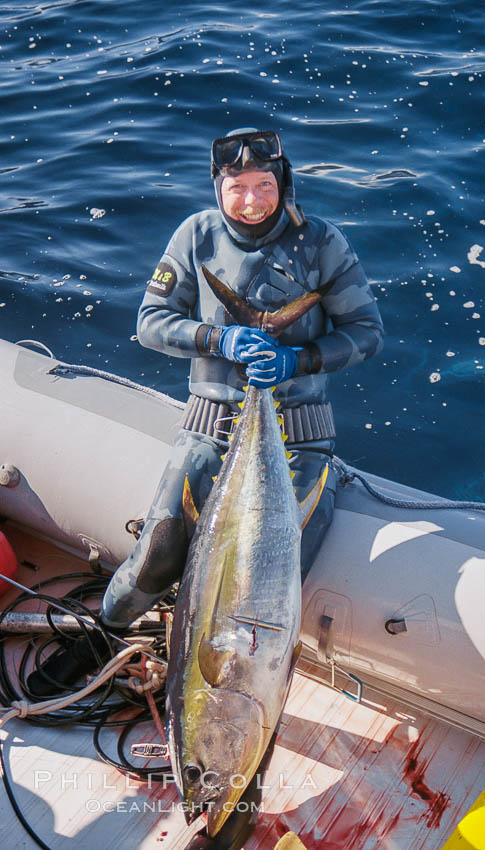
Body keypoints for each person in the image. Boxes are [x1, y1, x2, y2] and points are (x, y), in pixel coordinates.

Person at [28, 128, 384, 693]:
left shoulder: (321, 242)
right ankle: (101, 636)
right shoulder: (196, 236)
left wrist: (299, 360)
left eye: (263, 185)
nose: (250, 200)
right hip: (209, 426)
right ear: (218, 187)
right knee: (158, 554)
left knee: (273, 576)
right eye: (236, 187)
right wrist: (219, 341)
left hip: (301, 438)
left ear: (282, 182)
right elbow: (150, 322)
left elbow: (367, 334)